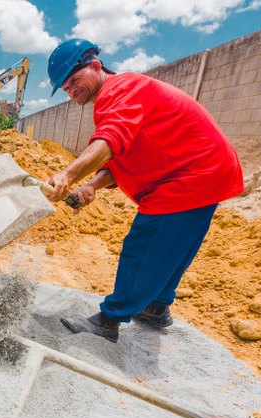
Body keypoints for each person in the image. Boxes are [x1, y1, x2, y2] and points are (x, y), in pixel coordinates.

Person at [44, 38, 244, 343]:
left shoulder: (119, 91)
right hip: (205, 171)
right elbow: (121, 153)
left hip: (188, 175)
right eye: (66, 88)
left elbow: (111, 139)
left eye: (75, 80)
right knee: (172, 248)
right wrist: (92, 185)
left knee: (145, 246)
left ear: (95, 66)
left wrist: (68, 175)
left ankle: (109, 320)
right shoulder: (122, 94)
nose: (72, 91)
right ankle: (155, 308)